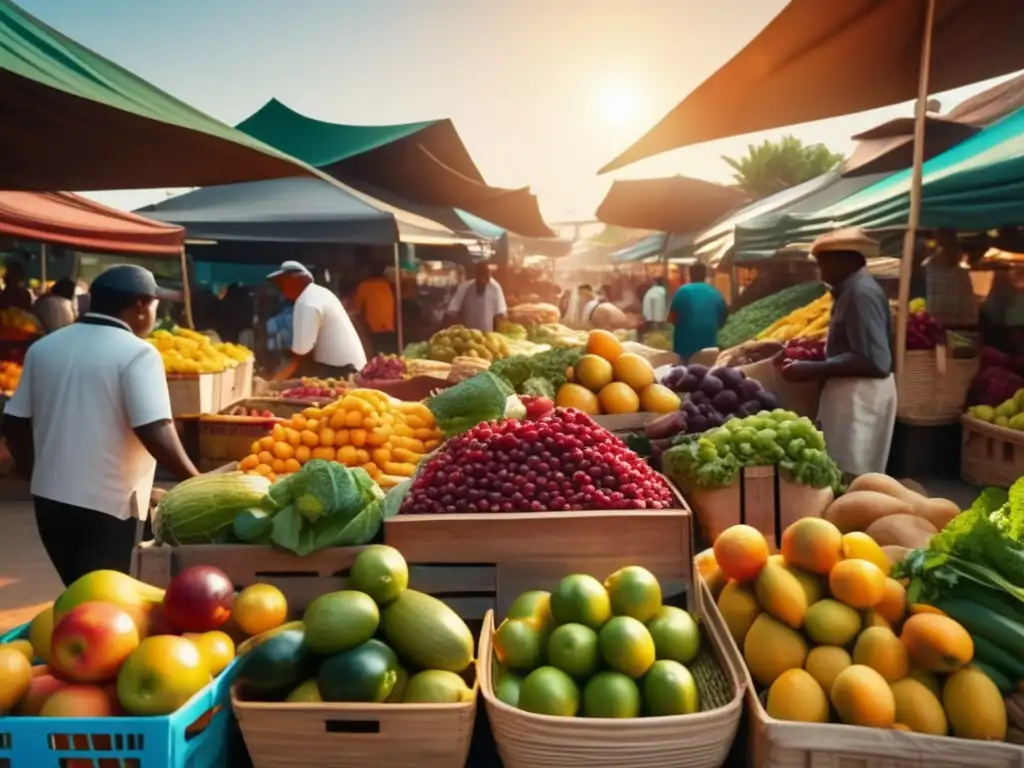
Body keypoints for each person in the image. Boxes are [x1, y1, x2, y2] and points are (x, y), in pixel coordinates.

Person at [1, 265, 200, 586]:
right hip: (110, 505)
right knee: (104, 602)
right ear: (139, 306)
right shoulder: (138, 353)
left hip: (50, 501)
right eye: (153, 305)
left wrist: (31, 470)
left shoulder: (44, 348)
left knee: (78, 591)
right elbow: (154, 429)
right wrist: (195, 481)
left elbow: (13, 422)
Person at [779, 227, 896, 478]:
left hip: (860, 396)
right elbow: (851, 347)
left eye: (822, 265)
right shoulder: (850, 291)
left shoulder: (860, 293)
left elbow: (875, 361)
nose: (820, 272)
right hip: (853, 394)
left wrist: (812, 369)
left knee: (853, 473)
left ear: (843, 261)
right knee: (845, 470)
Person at [266, 260, 367, 380]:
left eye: (283, 283)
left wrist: (276, 380)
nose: (281, 288)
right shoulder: (319, 293)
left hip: (341, 371)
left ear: (298, 281)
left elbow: (301, 351)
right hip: (348, 367)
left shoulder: (307, 301)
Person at [668, 263, 727, 360]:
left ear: (690, 275)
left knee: (684, 372)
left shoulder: (682, 291)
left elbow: (671, 318)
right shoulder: (715, 293)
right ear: (704, 275)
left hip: (684, 348)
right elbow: (722, 320)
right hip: (708, 348)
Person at [445, 261, 508, 332]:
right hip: (468, 335)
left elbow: (501, 314)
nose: (482, 282)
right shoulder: (464, 288)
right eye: (479, 280)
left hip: (487, 335)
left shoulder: (495, 288)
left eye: (485, 280)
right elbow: (452, 312)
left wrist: (500, 333)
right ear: (475, 276)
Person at [353, 264, 397, 355]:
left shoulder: (364, 286)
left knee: (379, 357)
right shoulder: (387, 286)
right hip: (388, 329)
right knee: (390, 357)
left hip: (374, 329)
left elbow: (357, 309)